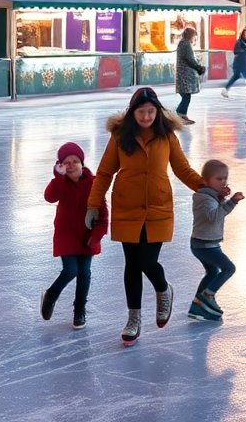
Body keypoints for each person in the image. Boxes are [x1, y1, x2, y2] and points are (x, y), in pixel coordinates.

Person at [87, 87, 207, 346]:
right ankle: (133, 318)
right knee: (132, 263)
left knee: (147, 261)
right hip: (126, 207)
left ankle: (163, 290)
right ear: (133, 113)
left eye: (151, 111)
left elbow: (183, 170)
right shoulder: (120, 137)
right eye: (141, 112)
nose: (146, 116)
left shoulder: (167, 136)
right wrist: (93, 205)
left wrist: (206, 188)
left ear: (158, 111)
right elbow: (105, 172)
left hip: (157, 207)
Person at [43, 142, 108, 331]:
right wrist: (58, 178)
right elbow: (49, 197)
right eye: (66, 163)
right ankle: (51, 295)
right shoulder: (60, 184)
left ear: (82, 163)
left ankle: (79, 310)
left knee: (84, 274)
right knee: (71, 270)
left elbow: (103, 216)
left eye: (75, 161)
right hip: (66, 236)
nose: (71, 165)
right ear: (60, 166)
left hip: (87, 237)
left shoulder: (94, 184)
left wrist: (96, 236)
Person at [187, 159, 244, 322]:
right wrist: (231, 202)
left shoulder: (210, 196)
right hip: (205, 245)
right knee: (229, 269)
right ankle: (207, 296)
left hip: (204, 243)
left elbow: (218, 212)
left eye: (225, 178)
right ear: (205, 180)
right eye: (219, 179)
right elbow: (214, 217)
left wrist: (222, 198)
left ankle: (197, 305)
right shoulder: (203, 198)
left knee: (212, 272)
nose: (223, 181)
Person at [175, 26, 205, 124]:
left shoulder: (183, 43)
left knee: (186, 96)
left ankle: (182, 114)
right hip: (185, 75)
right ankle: (180, 114)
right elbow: (190, 59)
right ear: (190, 36)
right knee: (186, 96)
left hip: (184, 74)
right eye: (194, 36)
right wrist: (198, 67)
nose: (194, 39)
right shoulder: (185, 44)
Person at [222, 28, 246, 99]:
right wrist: (245, 50)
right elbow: (236, 51)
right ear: (242, 34)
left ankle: (226, 90)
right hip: (239, 63)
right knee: (242, 76)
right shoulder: (239, 42)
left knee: (242, 77)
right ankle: (226, 90)